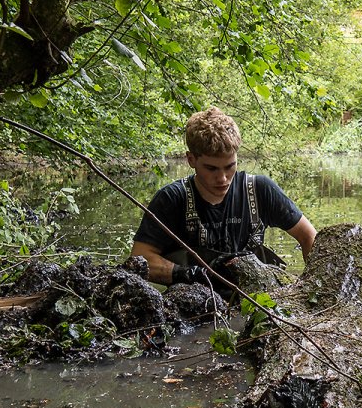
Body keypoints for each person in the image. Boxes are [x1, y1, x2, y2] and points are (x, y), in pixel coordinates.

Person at [130, 107, 316, 286]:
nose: (223, 178)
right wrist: (190, 274)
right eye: (211, 168)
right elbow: (140, 259)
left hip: (254, 298)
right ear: (191, 160)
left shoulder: (259, 190)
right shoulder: (171, 199)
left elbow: (309, 237)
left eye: (229, 166)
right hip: (195, 300)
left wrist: (310, 290)